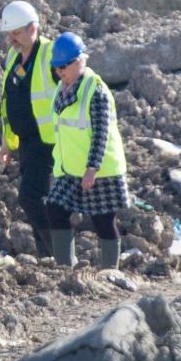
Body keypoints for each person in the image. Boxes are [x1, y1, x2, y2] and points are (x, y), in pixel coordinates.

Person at [46, 32, 129, 269]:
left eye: (64, 66)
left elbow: (101, 133)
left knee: (103, 221)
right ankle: (64, 267)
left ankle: (110, 272)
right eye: (56, 67)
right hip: (70, 169)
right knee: (55, 208)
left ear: (80, 61)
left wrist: (92, 168)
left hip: (100, 170)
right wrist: (57, 168)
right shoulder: (61, 90)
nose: (60, 71)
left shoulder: (97, 92)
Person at [0, 0, 58, 258]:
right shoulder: (13, 57)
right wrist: (7, 142)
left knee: (30, 197)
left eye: (17, 33)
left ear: (33, 28)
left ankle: (61, 252)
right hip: (26, 142)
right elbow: (8, 102)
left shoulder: (50, 55)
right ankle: (48, 258)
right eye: (9, 34)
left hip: (48, 142)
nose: (12, 39)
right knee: (37, 199)